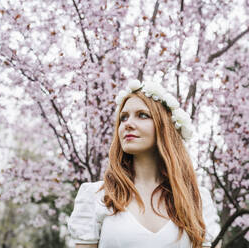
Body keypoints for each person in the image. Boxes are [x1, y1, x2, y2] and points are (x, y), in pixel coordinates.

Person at [67, 80, 220, 248]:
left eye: (142, 115)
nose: (128, 124)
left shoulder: (197, 200)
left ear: (165, 127)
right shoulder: (97, 197)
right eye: (123, 117)